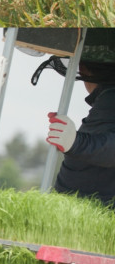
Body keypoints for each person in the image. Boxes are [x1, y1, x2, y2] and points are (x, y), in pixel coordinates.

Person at [44, 57, 115, 207]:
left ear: (83, 69)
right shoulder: (106, 99)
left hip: (91, 220)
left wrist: (75, 142)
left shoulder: (110, 99)